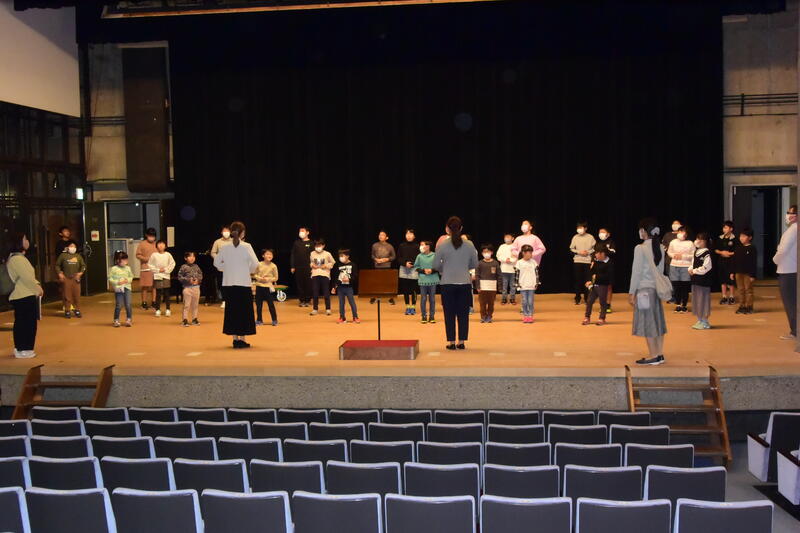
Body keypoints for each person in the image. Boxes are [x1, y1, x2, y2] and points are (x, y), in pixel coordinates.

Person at [433, 216, 478, 349]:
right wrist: (464, 267)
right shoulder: (469, 244)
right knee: (463, 313)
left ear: (447, 229)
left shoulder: (442, 245)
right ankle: (462, 341)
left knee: (449, 313)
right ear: (461, 228)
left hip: (447, 283)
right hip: (464, 282)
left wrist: (445, 269)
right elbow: (474, 264)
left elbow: (435, 265)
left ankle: (452, 342)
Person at [214, 221, 259, 348]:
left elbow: (216, 263)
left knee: (232, 311)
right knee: (244, 311)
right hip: (243, 283)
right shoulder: (247, 246)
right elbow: (255, 263)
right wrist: (247, 270)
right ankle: (242, 339)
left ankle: (235, 339)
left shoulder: (224, 247)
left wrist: (226, 268)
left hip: (228, 284)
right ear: (242, 233)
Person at [630, 218, 668, 366]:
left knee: (648, 323)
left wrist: (632, 292)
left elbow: (636, 272)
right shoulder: (660, 247)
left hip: (643, 291)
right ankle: (659, 353)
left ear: (644, 231)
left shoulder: (640, 248)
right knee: (657, 322)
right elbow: (661, 270)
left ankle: (653, 356)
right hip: (656, 289)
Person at [5, 233, 42, 358]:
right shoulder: (17, 259)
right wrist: (37, 289)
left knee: (22, 322)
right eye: (25, 239)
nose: (27, 241)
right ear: (19, 242)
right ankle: (24, 348)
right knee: (27, 323)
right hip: (24, 295)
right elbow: (27, 278)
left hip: (21, 294)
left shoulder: (15, 257)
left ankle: (21, 348)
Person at [774, 205, 797, 340]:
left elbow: (782, 250)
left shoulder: (793, 230)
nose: (788, 215)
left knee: (790, 303)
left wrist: (775, 259)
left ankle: (795, 331)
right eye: (788, 212)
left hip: (788, 271)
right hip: (792, 269)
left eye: (791, 213)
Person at [688, 232, 713, 329]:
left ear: (705, 242)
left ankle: (705, 321)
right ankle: (699, 319)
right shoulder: (696, 252)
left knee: (703, 300)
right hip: (695, 281)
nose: (698, 241)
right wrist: (690, 269)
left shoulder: (707, 253)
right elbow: (692, 263)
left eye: (701, 240)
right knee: (697, 300)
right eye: (697, 239)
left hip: (703, 281)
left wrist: (695, 271)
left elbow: (707, 267)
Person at [582, 248, 613, 326]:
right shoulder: (596, 261)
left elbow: (608, 276)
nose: (595, 255)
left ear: (602, 254)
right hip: (594, 286)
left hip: (603, 285)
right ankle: (587, 317)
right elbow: (592, 272)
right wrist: (589, 280)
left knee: (602, 302)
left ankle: (602, 318)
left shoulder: (609, 263)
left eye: (597, 253)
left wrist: (597, 277)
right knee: (589, 301)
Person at [667, 226, 694, 313]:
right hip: (674, 265)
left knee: (685, 286)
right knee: (676, 286)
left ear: (687, 234)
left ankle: (684, 305)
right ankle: (678, 305)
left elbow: (693, 255)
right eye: (680, 231)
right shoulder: (673, 242)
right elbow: (669, 252)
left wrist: (683, 256)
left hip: (686, 266)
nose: (680, 233)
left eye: (683, 231)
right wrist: (673, 255)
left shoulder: (690, 243)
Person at [55, 242, 85, 319]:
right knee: (67, 295)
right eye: (71, 246)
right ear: (67, 247)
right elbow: (57, 265)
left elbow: (83, 266)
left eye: (74, 246)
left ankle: (77, 309)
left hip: (76, 278)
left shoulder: (78, 256)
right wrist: (60, 273)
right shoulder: (63, 255)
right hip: (66, 277)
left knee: (76, 295)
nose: (73, 248)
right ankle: (67, 310)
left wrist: (80, 273)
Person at [569, 221, 596, 305]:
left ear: (585, 228)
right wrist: (579, 252)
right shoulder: (575, 237)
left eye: (581, 227)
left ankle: (587, 298)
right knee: (577, 280)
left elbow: (595, 248)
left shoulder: (590, 237)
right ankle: (577, 298)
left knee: (587, 280)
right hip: (577, 261)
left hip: (587, 261)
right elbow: (571, 248)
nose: (579, 229)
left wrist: (588, 252)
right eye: (578, 228)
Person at [732, 228, 757, 315]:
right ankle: (742, 306)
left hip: (748, 273)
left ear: (750, 237)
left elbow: (753, 262)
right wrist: (732, 272)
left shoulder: (752, 248)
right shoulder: (738, 248)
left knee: (748, 290)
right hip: (738, 272)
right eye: (740, 236)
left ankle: (749, 306)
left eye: (744, 236)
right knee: (740, 289)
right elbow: (734, 260)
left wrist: (752, 275)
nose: (741, 238)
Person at [148, 240, 175, 317]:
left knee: (167, 293)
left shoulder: (168, 254)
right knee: (158, 293)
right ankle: (158, 309)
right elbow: (150, 264)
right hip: (157, 275)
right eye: (159, 244)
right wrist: (158, 270)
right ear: (156, 246)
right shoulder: (154, 255)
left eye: (162, 244)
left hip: (166, 275)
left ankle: (168, 309)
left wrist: (165, 269)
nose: (161, 245)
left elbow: (172, 264)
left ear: (165, 246)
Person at [332, 249, 360, 324]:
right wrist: (334, 287)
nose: (341, 258)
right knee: (341, 303)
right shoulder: (339, 265)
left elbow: (355, 276)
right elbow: (336, 277)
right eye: (340, 256)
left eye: (342, 256)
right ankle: (342, 317)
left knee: (352, 302)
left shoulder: (352, 265)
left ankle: (355, 317)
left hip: (349, 288)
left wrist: (349, 279)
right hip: (340, 288)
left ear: (347, 256)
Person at [414, 241, 439, 324]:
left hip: (433, 280)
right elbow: (416, 267)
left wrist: (431, 270)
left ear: (428, 247)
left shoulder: (435, 255)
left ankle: (432, 316)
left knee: (432, 299)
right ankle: (424, 316)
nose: (421, 246)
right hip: (423, 280)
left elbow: (439, 266)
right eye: (420, 245)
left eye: (423, 245)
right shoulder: (419, 256)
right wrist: (423, 270)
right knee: (423, 299)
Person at [253, 249, 279, 326]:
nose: (269, 256)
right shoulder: (258, 264)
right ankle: (259, 320)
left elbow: (276, 278)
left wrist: (268, 279)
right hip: (259, 286)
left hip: (268, 287)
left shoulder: (273, 266)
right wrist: (259, 278)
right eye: (267, 254)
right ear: (263, 256)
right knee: (259, 305)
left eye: (271, 254)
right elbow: (254, 274)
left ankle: (274, 320)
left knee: (271, 304)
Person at [309, 239, 335, 316]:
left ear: (323, 246)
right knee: (315, 293)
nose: (318, 247)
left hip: (325, 275)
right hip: (315, 274)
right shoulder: (312, 253)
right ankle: (315, 309)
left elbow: (333, 262)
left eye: (319, 246)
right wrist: (312, 265)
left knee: (326, 293)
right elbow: (311, 262)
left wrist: (326, 266)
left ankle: (328, 309)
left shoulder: (327, 254)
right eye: (316, 246)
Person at [514, 244, 539, 323]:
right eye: (529, 253)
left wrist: (537, 282)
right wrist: (517, 284)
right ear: (523, 253)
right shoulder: (519, 262)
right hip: (523, 285)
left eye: (531, 253)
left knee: (530, 301)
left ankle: (530, 315)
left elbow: (537, 273)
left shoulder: (533, 262)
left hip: (531, 285)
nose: (531, 254)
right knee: (524, 301)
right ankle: (525, 315)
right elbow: (517, 274)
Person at [714, 221, 737, 305]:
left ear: (731, 229)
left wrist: (729, 253)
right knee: (722, 280)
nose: (724, 229)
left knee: (731, 280)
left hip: (731, 262)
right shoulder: (720, 238)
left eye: (726, 227)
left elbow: (737, 251)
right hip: (721, 261)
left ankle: (732, 296)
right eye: (723, 228)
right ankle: (724, 296)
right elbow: (715, 249)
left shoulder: (735, 239)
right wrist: (721, 252)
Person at [476, 245, 500, 323]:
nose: (486, 253)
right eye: (484, 252)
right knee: (482, 304)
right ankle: (483, 316)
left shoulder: (495, 263)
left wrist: (499, 286)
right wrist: (478, 286)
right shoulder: (480, 263)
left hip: (492, 287)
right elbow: (477, 275)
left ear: (492, 252)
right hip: (482, 287)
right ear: (482, 253)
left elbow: (499, 275)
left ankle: (489, 316)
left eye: (488, 251)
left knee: (491, 303)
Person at [397, 229, 420, 315]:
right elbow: (398, 257)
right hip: (404, 268)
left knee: (414, 289)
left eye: (411, 234)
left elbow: (419, 258)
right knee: (405, 289)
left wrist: (413, 264)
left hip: (414, 268)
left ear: (414, 236)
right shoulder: (401, 246)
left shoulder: (417, 246)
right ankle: (407, 307)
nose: (409, 235)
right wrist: (405, 263)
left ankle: (413, 307)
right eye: (407, 234)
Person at [109, 251, 133, 328]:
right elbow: (110, 278)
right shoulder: (114, 268)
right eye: (123, 259)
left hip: (127, 288)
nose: (125, 261)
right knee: (119, 305)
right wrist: (117, 282)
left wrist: (127, 280)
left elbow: (131, 277)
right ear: (117, 260)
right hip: (119, 289)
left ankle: (129, 319)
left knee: (128, 304)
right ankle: (116, 320)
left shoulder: (128, 268)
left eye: (126, 259)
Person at [178, 251, 203, 327]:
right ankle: (184, 320)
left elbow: (200, 275)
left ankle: (194, 319)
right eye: (190, 256)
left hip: (196, 288)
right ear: (185, 258)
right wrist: (188, 280)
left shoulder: (196, 266)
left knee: (195, 305)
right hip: (187, 288)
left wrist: (198, 280)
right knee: (186, 305)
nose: (192, 258)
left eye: (193, 256)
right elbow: (180, 277)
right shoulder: (183, 267)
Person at [210, 225, 233, 308]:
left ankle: (231, 300)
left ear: (230, 232)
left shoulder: (234, 241)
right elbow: (213, 252)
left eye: (227, 231)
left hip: (232, 266)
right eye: (224, 231)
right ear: (221, 232)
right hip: (221, 266)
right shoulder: (217, 242)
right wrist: (219, 258)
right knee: (222, 284)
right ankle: (224, 300)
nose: (226, 232)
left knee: (231, 284)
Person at [371, 230, 396, 305]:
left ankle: (390, 298)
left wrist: (387, 259)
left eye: (383, 235)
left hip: (387, 266)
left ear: (386, 237)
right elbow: (372, 255)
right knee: (376, 283)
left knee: (387, 283)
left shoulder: (390, 246)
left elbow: (393, 256)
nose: (381, 236)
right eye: (380, 235)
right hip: (377, 266)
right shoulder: (374, 245)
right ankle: (376, 297)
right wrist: (376, 259)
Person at [135, 228, 158, 310]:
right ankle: (144, 302)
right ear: (146, 235)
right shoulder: (142, 244)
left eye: (153, 236)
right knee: (145, 286)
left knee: (154, 286)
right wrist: (146, 259)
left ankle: (154, 302)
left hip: (155, 268)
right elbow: (138, 255)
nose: (152, 237)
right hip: (145, 268)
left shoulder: (157, 244)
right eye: (150, 235)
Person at [290, 227, 313, 307]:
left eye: (302, 231)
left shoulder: (311, 243)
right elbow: (293, 254)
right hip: (298, 267)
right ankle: (302, 300)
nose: (301, 232)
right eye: (300, 231)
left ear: (307, 232)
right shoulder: (296, 243)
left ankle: (308, 300)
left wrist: (313, 266)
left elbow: (314, 255)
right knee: (300, 284)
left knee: (308, 283)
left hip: (309, 267)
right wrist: (292, 266)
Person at [595, 227, 616, 313]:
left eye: (603, 232)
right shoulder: (598, 243)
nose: (601, 234)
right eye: (600, 232)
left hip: (609, 267)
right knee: (600, 287)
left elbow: (613, 253)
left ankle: (608, 305)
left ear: (608, 234)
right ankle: (602, 305)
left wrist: (605, 251)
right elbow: (594, 254)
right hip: (599, 267)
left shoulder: (611, 242)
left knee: (609, 286)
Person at [496, 233, 517, 305]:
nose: (507, 238)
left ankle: (512, 298)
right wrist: (505, 260)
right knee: (504, 285)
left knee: (513, 285)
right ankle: (504, 298)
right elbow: (498, 256)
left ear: (512, 238)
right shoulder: (502, 246)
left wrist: (511, 260)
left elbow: (517, 256)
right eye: (505, 237)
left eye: (508, 237)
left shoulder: (515, 246)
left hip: (513, 269)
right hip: (504, 269)